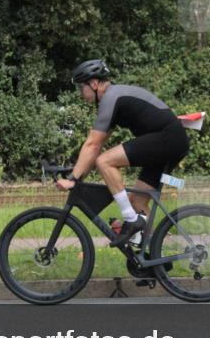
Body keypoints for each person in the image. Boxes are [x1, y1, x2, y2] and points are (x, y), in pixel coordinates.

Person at [54, 59, 189, 247]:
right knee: (137, 202)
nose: (80, 94)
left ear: (93, 84)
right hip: (168, 142)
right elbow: (96, 146)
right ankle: (152, 258)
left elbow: (92, 145)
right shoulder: (114, 100)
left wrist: (73, 179)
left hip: (167, 139)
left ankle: (130, 220)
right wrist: (76, 174)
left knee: (105, 162)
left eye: (81, 88)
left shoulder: (111, 98)